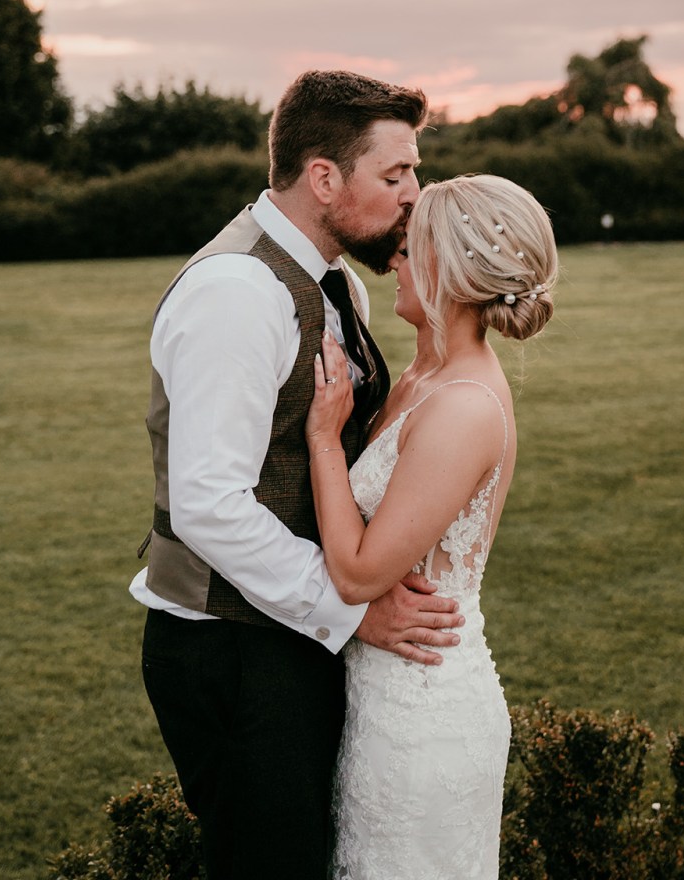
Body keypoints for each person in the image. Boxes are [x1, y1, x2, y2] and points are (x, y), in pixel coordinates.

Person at [129, 69, 465, 880]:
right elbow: (210, 504)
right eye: (394, 175)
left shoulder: (334, 278)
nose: (415, 195)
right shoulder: (237, 294)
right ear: (324, 178)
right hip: (234, 653)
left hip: (287, 635)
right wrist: (352, 612)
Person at [304, 173, 558, 880]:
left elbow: (358, 572)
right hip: (378, 694)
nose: (392, 260)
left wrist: (325, 440)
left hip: (424, 717)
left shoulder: (465, 404)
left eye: (409, 249)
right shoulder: (419, 375)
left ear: (448, 268)